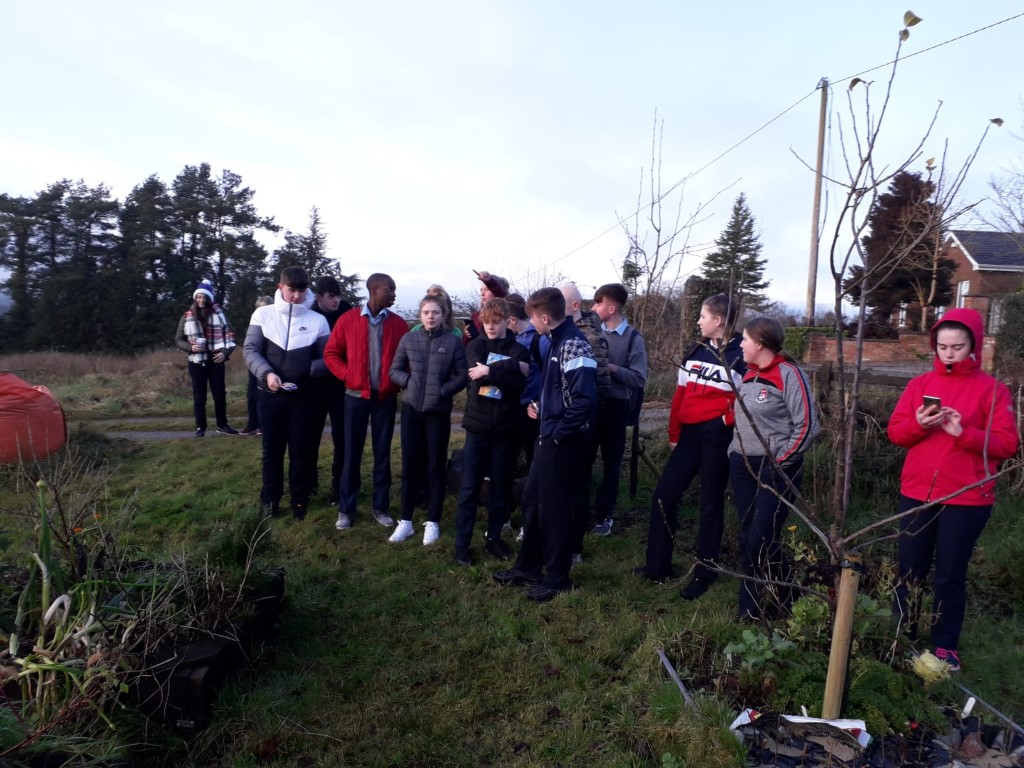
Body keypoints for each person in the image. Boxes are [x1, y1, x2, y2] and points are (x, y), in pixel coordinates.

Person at [887, 308, 1018, 673]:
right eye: (942, 346)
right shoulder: (919, 386)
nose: (949, 354)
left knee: (949, 574)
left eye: (957, 347)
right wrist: (919, 423)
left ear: (973, 345)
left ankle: (945, 646)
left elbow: (1008, 445)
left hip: (967, 498)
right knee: (909, 570)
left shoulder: (993, 390)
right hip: (917, 493)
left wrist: (965, 434)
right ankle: (900, 636)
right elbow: (896, 433)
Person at [634, 294, 744, 599]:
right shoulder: (696, 350)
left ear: (718, 320)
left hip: (718, 437)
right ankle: (657, 566)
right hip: (688, 436)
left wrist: (723, 421)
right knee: (663, 496)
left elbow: (747, 402)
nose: (698, 321)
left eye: (703, 316)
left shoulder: (741, 355)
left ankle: (704, 573)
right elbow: (680, 394)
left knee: (710, 504)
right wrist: (674, 432)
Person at [493, 287, 597, 602]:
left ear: (545, 318)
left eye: (533, 318)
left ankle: (557, 578)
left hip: (563, 441)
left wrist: (558, 433)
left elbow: (583, 401)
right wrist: (541, 405)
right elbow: (558, 390)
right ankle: (528, 566)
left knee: (555, 510)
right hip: (548, 433)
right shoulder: (553, 341)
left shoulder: (574, 345)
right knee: (533, 500)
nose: (531, 323)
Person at [729, 316, 820, 621]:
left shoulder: (789, 375)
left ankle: (769, 602)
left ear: (760, 343)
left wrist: (780, 461)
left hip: (778, 469)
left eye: (745, 339)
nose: (741, 344)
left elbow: (808, 427)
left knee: (760, 538)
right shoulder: (748, 373)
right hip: (743, 465)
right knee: (749, 536)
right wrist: (734, 451)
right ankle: (768, 600)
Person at [243, 267, 330, 520]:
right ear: (280, 287)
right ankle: (270, 501)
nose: (297, 296)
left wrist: (307, 370)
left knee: (300, 451)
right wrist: (267, 374)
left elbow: (328, 358)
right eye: (292, 290)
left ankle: (299, 502)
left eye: (301, 291)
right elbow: (250, 350)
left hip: (303, 397)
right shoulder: (263, 314)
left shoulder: (318, 321)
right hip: (269, 394)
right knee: (272, 451)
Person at [324, 273, 408, 530]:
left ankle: (380, 507)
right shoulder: (348, 320)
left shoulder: (399, 324)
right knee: (351, 453)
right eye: (389, 289)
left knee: (382, 454)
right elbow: (331, 353)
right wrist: (348, 375)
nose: (394, 294)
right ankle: (346, 509)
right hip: (354, 398)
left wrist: (398, 382)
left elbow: (407, 360)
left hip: (385, 399)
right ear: (374, 290)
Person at [387, 295, 468, 545]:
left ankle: (433, 521)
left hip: (438, 413)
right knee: (410, 466)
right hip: (411, 410)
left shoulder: (453, 342)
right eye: (426, 312)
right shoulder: (409, 339)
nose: (430, 317)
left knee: (435, 466)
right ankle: (406, 521)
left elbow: (462, 375)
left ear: (443, 315)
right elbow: (394, 370)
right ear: (420, 315)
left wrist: (443, 391)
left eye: (435, 312)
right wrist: (409, 382)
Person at [453, 298, 529, 565]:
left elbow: (518, 386)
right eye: (486, 323)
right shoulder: (475, 346)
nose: (491, 327)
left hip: (507, 428)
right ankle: (461, 544)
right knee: (470, 485)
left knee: (500, 485)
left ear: (507, 321)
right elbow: (478, 378)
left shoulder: (520, 350)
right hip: (478, 426)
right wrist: (510, 368)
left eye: (496, 322)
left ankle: (494, 538)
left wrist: (492, 369)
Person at [588, 283, 648, 538]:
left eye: (598, 303)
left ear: (611, 308)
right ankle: (580, 511)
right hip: (591, 405)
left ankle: (604, 517)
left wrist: (610, 368)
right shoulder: (590, 333)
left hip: (615, 407)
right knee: (583, 459)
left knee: (612, 464)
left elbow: (639, 378)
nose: (593, 308)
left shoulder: (634, 339)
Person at [560, 283, 611, 560]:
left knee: (578, 482)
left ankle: (574, 547)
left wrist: (584, 420)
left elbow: (599, 383)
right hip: (563, 421)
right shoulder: (565, 330)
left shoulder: (588, 336)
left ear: (575, 306)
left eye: (561, 302)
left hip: (580, 422)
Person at [309, 276, 354, 504]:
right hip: (314, 387)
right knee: (310, 437)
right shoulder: (308, 315)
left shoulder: (348, 313)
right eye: (331, 296)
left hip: (341, 386)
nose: (336, 300)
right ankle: (309, 483)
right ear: (319, 297)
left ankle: (339, 486)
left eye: (338, 296)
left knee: (342, 438)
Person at [174, 280, 239, 437]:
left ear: (209, 298)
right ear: (195, 298)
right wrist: (190, 348)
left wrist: (225, 353)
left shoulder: (219, 314)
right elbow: (178, 339)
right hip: (196, 361)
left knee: (219, 395)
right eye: (199, 297)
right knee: (199, 396)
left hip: (216, 359)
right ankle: (200, 427)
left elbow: (231, 336)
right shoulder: (187, 316)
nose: (201, 300)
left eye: (204, 297)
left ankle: (222, 425)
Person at [507, 293, 549, 473]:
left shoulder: (541, 340)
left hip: (533, 406)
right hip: (515, 404)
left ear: (512, 320)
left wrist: (541, 401)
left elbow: (551, 373)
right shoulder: (513, 340)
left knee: (534, 452)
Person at [240, 295, 273, 436]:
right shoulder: (254, 324)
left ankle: (262, 425)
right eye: (259, 308)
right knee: (251, 394)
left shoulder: (275, 324)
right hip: (254, 363)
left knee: (261, 394)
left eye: (264, 308)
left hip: (267, 364)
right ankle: (252, 424)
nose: (261, 311)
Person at [464, 270, 509, 344]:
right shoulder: (475, 316)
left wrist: (489, 281)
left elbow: (500, 296)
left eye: (487, 289)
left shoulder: (505, 311)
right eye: (481, 290)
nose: (482, 294)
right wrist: (467, 336)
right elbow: (467, 346)